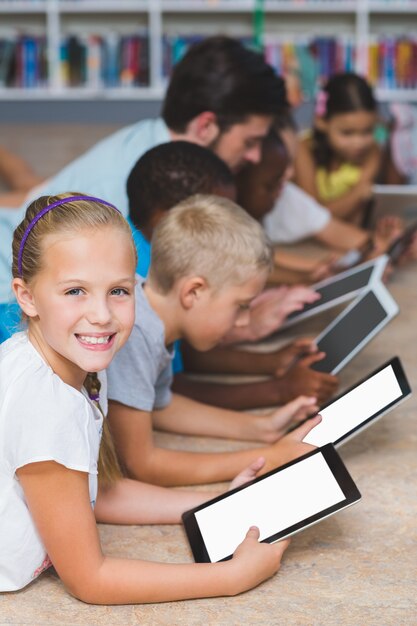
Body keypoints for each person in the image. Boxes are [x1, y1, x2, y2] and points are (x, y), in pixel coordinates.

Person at [0, 192, 300, 601]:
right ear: (27, 296)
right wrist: (233, 577)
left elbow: (99, 492)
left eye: (119, 291)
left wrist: (219, 502)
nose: (102, 314)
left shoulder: (80, 363)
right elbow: (90, 579)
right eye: (75, 291)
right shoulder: (44, 403)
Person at [0, 35, 288, 342]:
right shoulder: (133, 198)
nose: (255, 157)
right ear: (205, 126)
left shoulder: (155, 147)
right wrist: (243, 326)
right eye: (250, 142)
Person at [107, 194, 323, 487]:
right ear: (193, 292)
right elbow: (141, 464)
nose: (245, 321)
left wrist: (262, 428)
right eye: (241, 305)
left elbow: (159, 405)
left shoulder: (152, 318)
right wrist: (270, 458)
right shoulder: (134, 332)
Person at [126, 140, 339, 408]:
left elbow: (183, 356)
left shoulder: (140, 245)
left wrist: (271, 362)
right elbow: (165, 392)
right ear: (179, 218)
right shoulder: (138, 273)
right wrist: (277, 390)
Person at [236, 118, 406, 284]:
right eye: (280, 166)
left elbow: (335, 233)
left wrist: (384, 245)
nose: (290, 174)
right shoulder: (226, 216)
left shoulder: (285, 195)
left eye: (291, 161)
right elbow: (251, 264)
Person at [294, 72, 383, 226]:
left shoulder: (373, 151)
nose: (359, 143)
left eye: (367, 131)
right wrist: (358, 194)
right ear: (321, 121)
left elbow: (357, 219)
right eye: (347, 133)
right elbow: (313, 218)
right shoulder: (303, 149)